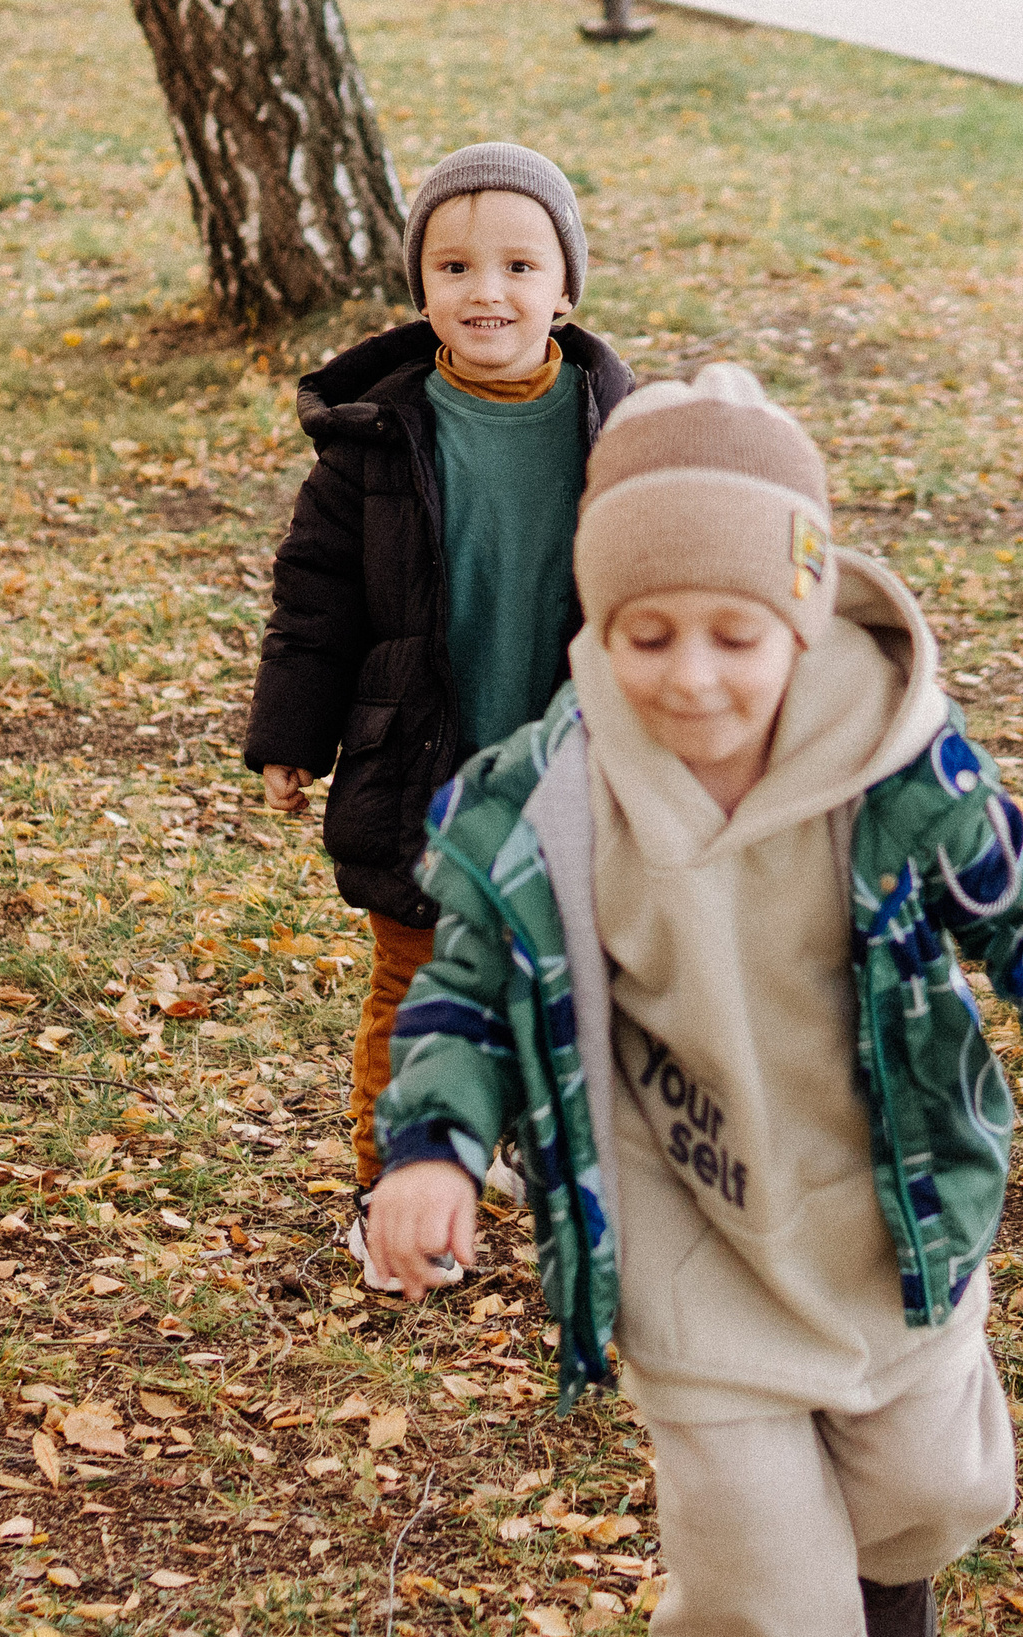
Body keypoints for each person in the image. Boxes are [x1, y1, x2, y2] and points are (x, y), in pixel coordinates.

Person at [364, 364, 1023, 1637]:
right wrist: (436, 1144)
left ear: (802, 614)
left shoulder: (900, 763)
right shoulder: (549, 801)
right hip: (691, 1226)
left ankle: (884, 1566)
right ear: (597, 622)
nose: (690, 676)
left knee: (933, 1487)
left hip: (886, 1212)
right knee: (759, 1581)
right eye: (646, 632)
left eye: (734, 634)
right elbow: (463, 992)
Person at [241, 142, 634, 1292]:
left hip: (576, 776)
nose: (487, 291)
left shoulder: (627, 430)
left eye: (519, 263)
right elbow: (315, 602)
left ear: (565, 286)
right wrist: (287, 733)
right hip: (422, 775)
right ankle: (394, 1196)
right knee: (415, 989)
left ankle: (507, 1135)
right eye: (454, 266)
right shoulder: (375, 438)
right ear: (422, 289)